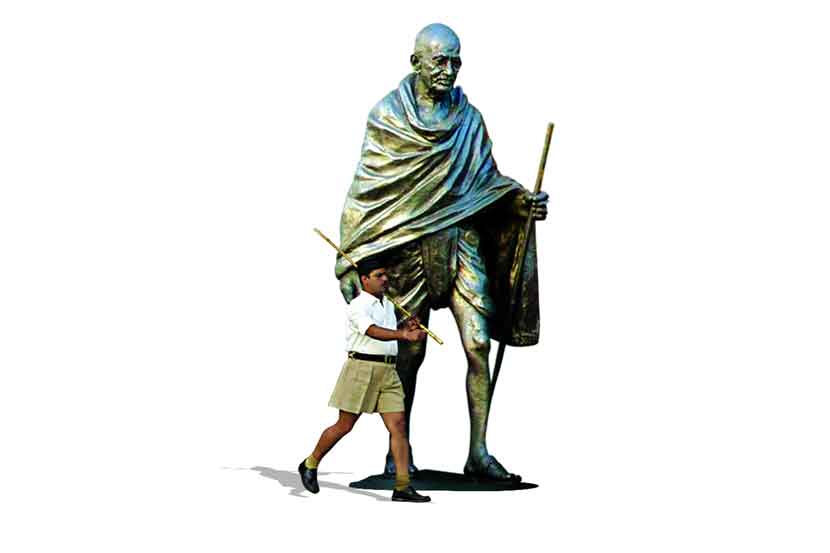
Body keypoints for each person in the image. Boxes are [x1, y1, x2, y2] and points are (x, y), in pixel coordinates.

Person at [335, 23, 549, 482]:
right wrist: (352, 255)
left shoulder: (469, 120)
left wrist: (520, 203)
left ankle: (479, 452)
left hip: (462, 241)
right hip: (409, 249)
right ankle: (398, 452)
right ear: (416, 62)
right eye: (439, 61)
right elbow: (366, 193)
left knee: (478, 344)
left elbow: (485, 183)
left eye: (455, 62)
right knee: (409, 354)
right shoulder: (388, 116)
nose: (448, 70)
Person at [299, 255, 431, 502]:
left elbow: (387, 329)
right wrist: (403, 335)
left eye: (385, 274)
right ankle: (310, 463)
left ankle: (402, 487)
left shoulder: (388, 304)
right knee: (344, 425)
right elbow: (372, 331)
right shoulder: (357, 306)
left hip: (388, 371)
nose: (385, 279)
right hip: (361, 368)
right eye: (378, 275)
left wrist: (407, 326)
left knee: (399, 426)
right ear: (364, 280)